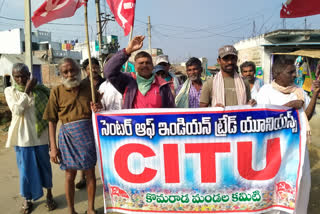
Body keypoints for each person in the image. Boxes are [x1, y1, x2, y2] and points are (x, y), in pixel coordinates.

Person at [257, 59, 320, 214]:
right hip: (276, 151)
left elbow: (307, 116)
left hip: (298, 147)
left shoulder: (298, 90)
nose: (294, 75)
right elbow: (264, 119)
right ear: (277, 74)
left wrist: (314, 95)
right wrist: (289, 106)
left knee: (300, 184)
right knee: (278, 187)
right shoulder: (265, 91)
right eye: (290, 72)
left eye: (294, 71)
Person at [43, 58, 101, 214]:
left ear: (79, 70)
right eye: (65, 72)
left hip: (87, 135)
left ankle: (90, 208)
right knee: (70, 175)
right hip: (67, 138)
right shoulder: (56, 91)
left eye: (72, 70)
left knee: (90, 173)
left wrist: (98, 107)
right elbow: (51, 121)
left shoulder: (89, 88)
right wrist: (53, 148)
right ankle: (71, 210)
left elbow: (100, 110)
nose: (70, 74)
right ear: (61, 74)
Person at [4, 63, 57, 214]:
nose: (20, 79)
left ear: (29, 75)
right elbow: (17, 110)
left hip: (41, 138)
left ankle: (49, 195)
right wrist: (27, 91)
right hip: (23, 139)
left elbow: (51, 111)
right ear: (13, 77)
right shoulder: (10, 91)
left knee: (45, 168)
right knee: (25, 172)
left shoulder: (41, 91)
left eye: (24, 75)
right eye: (17, 76)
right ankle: (27, 199)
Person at [104, 35, 175, 109]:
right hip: (133, 120)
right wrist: (127, 51)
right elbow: (109, 71)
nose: (144, 65)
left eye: (148, 63)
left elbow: (170, 110)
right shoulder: (127, 81)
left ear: (153, 66)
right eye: (141, 63)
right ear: (135, 67)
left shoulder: (163, 85)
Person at [74, 57, 106, 190]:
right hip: (87, 119)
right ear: (85, 71)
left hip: (104, 118)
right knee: (85, 150)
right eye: (89, 68)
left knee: (104, 149)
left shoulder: (106, 82)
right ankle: (82, 177)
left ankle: (107, 176)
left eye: (95, 67)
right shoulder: (82, 85)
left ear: (99, 68)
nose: (93, 70)